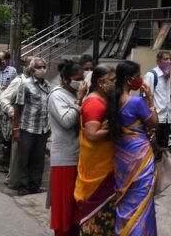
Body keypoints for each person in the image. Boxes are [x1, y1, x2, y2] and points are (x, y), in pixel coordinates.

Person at [106, 60, 159, 235]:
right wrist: (150, 99)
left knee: (126, 199)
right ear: (129, 79)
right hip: (140, 156)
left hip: (121, 154)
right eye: (138, 76)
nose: (141, 79)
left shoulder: (112, 98)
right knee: (142, 201)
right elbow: (154, 122)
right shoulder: (136, 102)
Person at [48, 59, 88, 236]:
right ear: (66, 79)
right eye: (77, 78)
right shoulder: (57, 95)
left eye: (82, 78)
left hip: (78, 155)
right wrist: (79, 99)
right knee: (64, 207)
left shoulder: (73, 95)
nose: (81, 82)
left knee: (74, 208)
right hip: (64, 158)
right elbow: (67, 121)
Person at [75, 65, 116, 235]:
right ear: (100, 82)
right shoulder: (94, 103)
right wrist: (120, 129)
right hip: (97, 173)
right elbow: (92, 135)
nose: (116, 83)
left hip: (104, 167)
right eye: (112, 80)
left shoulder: (104, 99)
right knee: (98, 222)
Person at [14, 57, 51, 196]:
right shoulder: (26, 85)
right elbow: (18, 108)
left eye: (44, 67)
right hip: (27, 127)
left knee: (38, 159)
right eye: (39, 67)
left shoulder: (48, 85)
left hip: (42, 128)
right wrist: (16, 128)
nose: (42, 70)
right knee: (24, 158)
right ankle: (23, 186)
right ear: (32, 69)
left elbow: (48, 107)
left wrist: (49, 126)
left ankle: (35, 186)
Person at [1, 56, 34, 188]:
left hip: (33, 124)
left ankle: (28, 182)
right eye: (33, 65)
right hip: (19, 123)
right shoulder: (19, 81)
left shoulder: (40, 83)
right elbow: (4, 99)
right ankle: (13, 181)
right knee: (17, 155)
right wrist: (12, 113)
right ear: (26, 67)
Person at [143, 50, 171, 149]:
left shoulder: (168, 76)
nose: (169, 61)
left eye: (170, 59)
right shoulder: (151, 75)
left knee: (163, 148)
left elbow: (170, 95)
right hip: (156, 119)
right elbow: (146, 97)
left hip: (166, 118)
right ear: (158, 61)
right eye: (165, 59)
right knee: (153, 148)